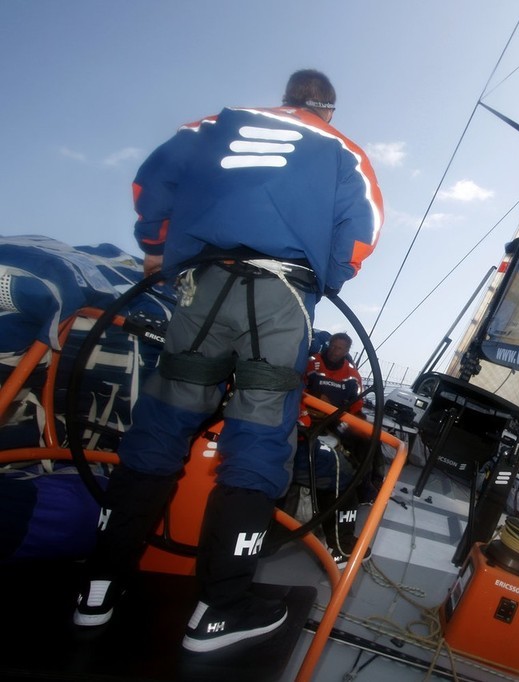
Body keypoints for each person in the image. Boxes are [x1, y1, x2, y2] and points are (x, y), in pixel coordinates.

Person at [73, 69, 384, 653]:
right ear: (329, 109)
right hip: (282, 295)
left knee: (162, 426)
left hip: (202, 285)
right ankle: (218, 609)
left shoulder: (217, 123)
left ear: (288, 96)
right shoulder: (345, 152)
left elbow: (153, 179)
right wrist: (321, 279)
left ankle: (97, 589)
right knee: (261, 440)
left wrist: (158, 247)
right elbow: (361, 234)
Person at [297, 331, 370, 566]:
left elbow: (356, 408)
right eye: (332, 346)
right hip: (307, 421)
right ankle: (340, 545)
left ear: (347, 352)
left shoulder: (352, 376)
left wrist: (346, 421)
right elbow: (299, 390)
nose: (334, 351)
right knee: (341, 472)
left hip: (335, 420)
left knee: (369, 441)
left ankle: (367, 489)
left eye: (340, 348)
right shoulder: (311, 364)